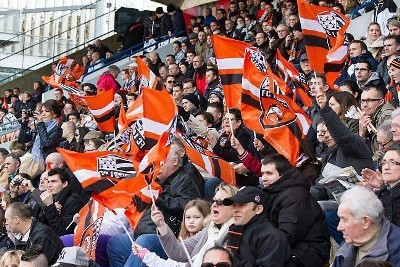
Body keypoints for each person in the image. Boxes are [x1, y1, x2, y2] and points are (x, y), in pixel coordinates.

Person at [107, 140, 205, 266]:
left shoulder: (188, 176)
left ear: (175, 161)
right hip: (144, 230)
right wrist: (137, 190)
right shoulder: (160, 176)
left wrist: (157, 194)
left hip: (168, 236)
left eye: (161, 161)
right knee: (116, 243)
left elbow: (187, 207)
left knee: (144, 241)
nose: (157, 165)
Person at [261, 154, 331, 266]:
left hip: (309, 252)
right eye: (262, 173)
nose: (264, 178)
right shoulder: (272, 191)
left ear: (282, 174)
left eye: (269, 173)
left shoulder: (295, 196)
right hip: (292, 247)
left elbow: (287, 236)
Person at [222, 186, 291, 266]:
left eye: (242, 205)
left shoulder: (271, 237)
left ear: (258, 209)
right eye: (234, 205)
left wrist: (230, 261)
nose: (236, 210)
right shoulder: (235, 230)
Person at [131, 199, 211, 266]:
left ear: (207, 218)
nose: (191, 221)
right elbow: (167, 265)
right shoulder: (181, 241)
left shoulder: (207, 243)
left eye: (196, 217)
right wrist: (144, 254)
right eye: (188, 217)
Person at [333, 186, 400, 266]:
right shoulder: (348, 245)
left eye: (344, 219)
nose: (339, 227)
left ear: (365, 222)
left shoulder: (396, 248)